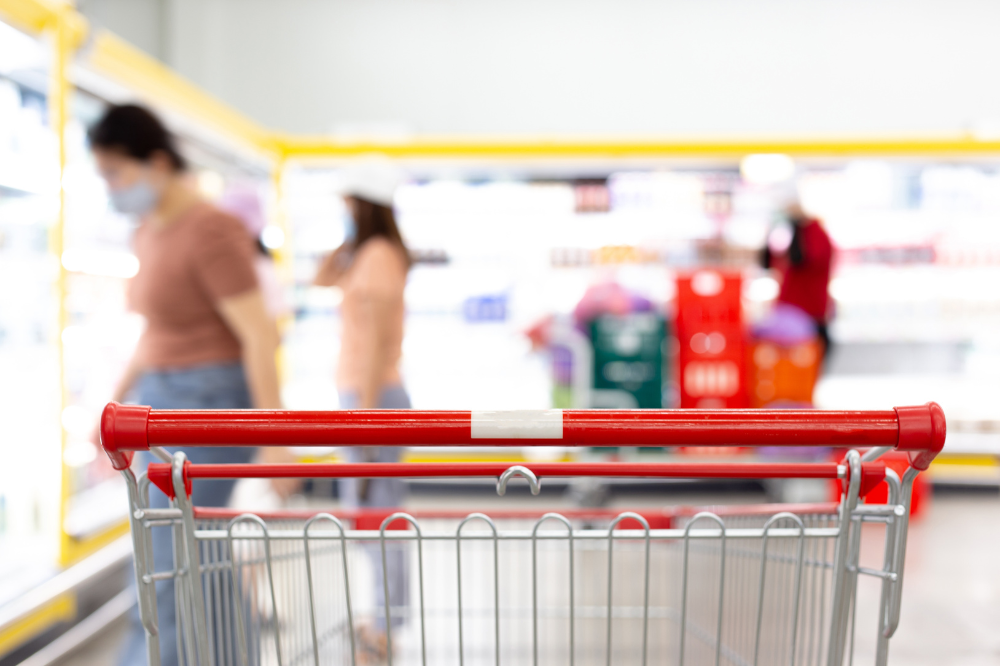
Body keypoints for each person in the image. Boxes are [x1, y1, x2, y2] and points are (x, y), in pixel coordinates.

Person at [88, 104, 283, 666]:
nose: (111, 187)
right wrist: (116, 402)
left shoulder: (214, 230)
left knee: (166, 560)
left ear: (155, 162)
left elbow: (257, 334)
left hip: (212, 407)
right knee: (201, 559)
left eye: (115, 173)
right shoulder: (146, 230)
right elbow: (157, 330)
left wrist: (275, 432)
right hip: (161, 401)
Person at [314, 160, 411, 659]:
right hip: (367, 396)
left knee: (377, 511)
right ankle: (384, 617)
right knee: (372, 510)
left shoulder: (376, 255)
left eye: (349, 201)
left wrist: (367, 415)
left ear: (363, 203)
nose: (343, 209)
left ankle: (387, 623)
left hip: (374, 397)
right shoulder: (369, 253)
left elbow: (373, 342)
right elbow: (320, 279)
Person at [761, 200, 835, 356]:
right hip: (792, 310)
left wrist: (797, 223)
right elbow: (767, 262)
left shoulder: (814, 235)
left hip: (808, 312)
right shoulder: (795, 235)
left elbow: (804, 259)